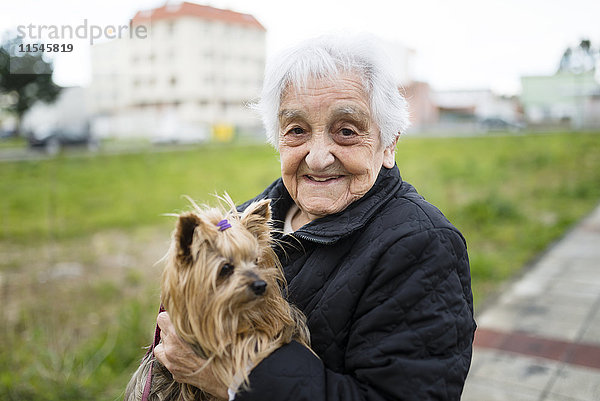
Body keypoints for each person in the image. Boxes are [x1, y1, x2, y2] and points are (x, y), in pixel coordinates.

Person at [154, 34, 476, 401]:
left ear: (389, 145)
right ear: (278, 140)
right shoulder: (238, 224)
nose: (318, 157)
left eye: (346, 131)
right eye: (297, 131)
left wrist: (232, 380)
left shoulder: (423, 245)